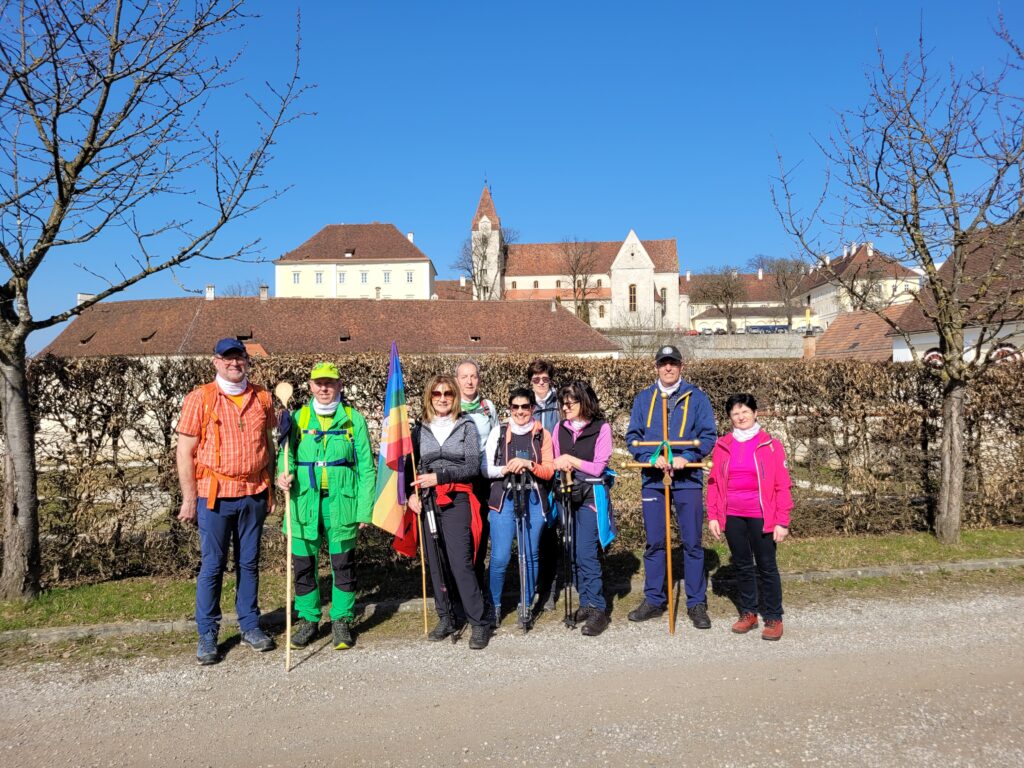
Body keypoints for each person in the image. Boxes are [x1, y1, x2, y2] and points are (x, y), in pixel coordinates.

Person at [176, 338, 277, 665]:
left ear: (247, 361)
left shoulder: (262, 397)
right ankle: (207, 634)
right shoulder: (199, 399)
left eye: (240, 358)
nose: (234, 363)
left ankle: (249, 625)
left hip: (254, 493)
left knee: (249, 563)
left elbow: (271, 446)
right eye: (227, 358)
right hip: (214, 496)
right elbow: (185, 452)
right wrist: (189, 497)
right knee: (213, 565)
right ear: (215, 361)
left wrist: (272, 489)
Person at [275, 362, 375, 650]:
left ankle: (341, 620)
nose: (324, 388)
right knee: (304, 566)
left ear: (339, 385)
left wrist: (364, 509)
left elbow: (366, 468)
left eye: (329, 383)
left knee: (343, 565)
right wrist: (282, 476)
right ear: (310, 386)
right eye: (318, 383)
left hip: (342, 503)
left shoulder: (353, 420)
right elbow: (286, 457)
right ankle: (308, 620)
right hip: (303, 502)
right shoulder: (297, 417)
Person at [625, 345, 717, 629]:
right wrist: (651, 458)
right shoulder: (644, 399)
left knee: (692, 542)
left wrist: (685, 457)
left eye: (673, 364)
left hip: (687, 479)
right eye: (663, 363)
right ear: (656, 367)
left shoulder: (697, 398)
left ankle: (696, 602)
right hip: (653, 480)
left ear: (681, 366)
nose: (668, 368)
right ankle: (654, 599)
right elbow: (633, 438)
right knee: (655, 542)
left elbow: (708, 436)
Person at [406, 374, 490, 649]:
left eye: (448, 394)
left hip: (457, 500)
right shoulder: (419, 430)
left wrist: (439, 477)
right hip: (428, 502)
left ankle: (478, 621)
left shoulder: (466, 425)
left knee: (460, 562)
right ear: (429, 397)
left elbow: (472, 466)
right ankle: (447, 617)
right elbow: (410, 470)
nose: (442, 398)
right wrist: (410, 496)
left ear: (454, 397)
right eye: (436, 394)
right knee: (437, 563)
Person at [706, 393, 792, 641]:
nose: (740, 417)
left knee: (767, 566)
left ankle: (774, 617)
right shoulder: (723, 446)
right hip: (733, 515)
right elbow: (714, 483)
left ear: (755, 413)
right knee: (742, 566)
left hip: (762, 516)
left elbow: (782, 485)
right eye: (735, 413)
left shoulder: (771, 445)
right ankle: (748, 613)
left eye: (745, 411)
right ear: (729, 418)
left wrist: (782, 520)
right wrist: (713, 515)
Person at [483, 388, 555, 632]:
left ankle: (526, 604)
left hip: (533, 498)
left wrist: (528, 464)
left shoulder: (542, 434)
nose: (521, 411)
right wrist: (506, 469)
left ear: (532, 408)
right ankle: (493, 605)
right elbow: (486, 469)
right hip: (504, 498)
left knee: (530, 554)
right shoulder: (499, 432)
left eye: (526, 407)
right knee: (500, 556)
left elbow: (549, 470)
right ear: (509, 409)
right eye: (516, 407)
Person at [551, 380, 613, 637]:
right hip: (567, 495)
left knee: (586, 552)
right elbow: (555, 460)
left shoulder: (602, 428)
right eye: (563, 403)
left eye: (571, 402)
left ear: (584, 402)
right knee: (572, 552)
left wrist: (571, 460)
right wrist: (561, 464)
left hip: (590, 496)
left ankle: (598, 607)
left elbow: (598, 466)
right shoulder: (559, 428)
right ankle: (585, 602)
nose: (565, 407)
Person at [454, 358, 499, 612]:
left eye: (474, 376)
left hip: (483, 479)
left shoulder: (487, 407)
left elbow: (495, 440)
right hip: (458, 479)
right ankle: (460, 590)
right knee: (462, 537)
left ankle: (478, 587)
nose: (470, 381)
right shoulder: (449, 404)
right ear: (457, 380)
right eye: (464, 377)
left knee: (481, 536)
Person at [527, 359, 561, 612]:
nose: (540, 383)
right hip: (532, 478)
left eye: (545, 379)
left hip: (556, 477)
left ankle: (549, 588)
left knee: (552, 536)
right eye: (536, 379)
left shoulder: (560, 403)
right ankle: (533, 586)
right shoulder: (524, 404)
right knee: (533, 535)